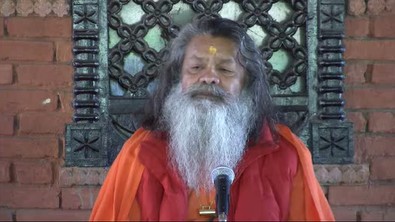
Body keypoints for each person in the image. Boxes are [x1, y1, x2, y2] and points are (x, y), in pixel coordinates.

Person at [90, 17, 334, 221]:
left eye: (225, 70)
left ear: (247, 83)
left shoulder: (286, 154)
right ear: (179, 79)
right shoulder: (140, 153)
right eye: (195, 68)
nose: (208, 78)